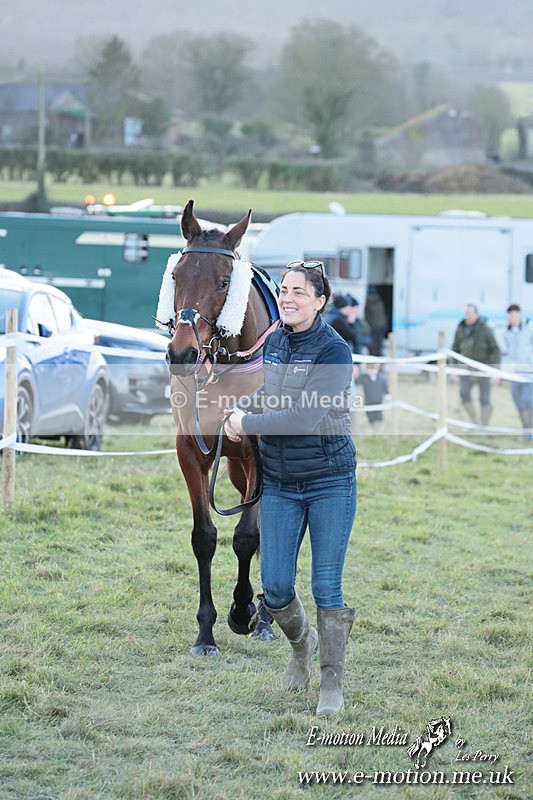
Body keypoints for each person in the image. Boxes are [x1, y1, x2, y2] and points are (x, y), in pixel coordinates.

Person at [225, 261, 357, 716]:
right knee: (276, 588)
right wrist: (241, 410)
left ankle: (331, 683)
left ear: (320, 301)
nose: (288, 297)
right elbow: (271, 394)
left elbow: (303, 417)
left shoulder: (334, 352)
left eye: (299, 291)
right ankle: (302, 645)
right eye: (284, 290)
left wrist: (248, 423)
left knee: (326, 586)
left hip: (329, 482)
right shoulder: (277, 342)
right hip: (280, 482)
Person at [451, 303, 501, 427]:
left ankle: (484, 425)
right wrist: (454, 370)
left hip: (483, 370)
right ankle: (473, 420)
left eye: (470, 313)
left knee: (484, 399)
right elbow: (454, 350)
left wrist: (495, 371)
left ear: (476, 314)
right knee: (463, 393)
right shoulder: (460, 328)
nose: (468, 316)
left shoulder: (485, 329)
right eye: (466, 313)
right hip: (466, 370)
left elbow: (495, 350)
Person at [499, 303, 533, 440]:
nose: (512, 317)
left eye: (514, 314)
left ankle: (530, 431)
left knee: (528, 400)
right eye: (510, 315)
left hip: (529, 373)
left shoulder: (529, 329)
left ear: (519, 315)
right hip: (514, 374)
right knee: (518, 402)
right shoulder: (505, 333)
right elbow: (504, 353)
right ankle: (526, 430)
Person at [356, 362, 391, 429]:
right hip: (368, 400)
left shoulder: (381, 378)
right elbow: (356, 382)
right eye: (369, 369)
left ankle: (379, 424)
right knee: (369, 414)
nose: (371, 371)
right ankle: (371, 424)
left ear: (377, 369)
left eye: (373, 369)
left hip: (378, 400)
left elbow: (385, 387)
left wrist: (388, 395)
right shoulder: (363, 377)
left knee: (378, 413)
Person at [364, 286, 388, 357]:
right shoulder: (380, 302)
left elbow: (367, 316)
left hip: (373, 326)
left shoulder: (368, 303)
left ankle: (373, 357)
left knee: (373, 343)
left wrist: (368, 325)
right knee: (379, 342)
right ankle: (379, 356)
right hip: (382, 325)